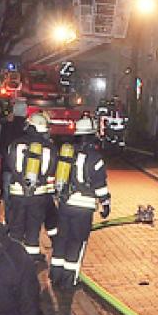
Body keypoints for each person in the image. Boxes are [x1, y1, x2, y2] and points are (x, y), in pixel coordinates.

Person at [51, 117, 111, 288]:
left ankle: (55, 275)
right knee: (77, 242)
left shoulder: (67, 153)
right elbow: (100, 185)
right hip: (83, 207)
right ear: (91, 135)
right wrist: (105, 203)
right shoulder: (95, 157)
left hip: (65, 204)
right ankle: (70, 279)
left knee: (62, 239)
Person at [4, 112, 56, 259]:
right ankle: (31, 259)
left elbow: (10, 165)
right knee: (33, 230)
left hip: (17, 193)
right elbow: (51, 172)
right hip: (38, 196)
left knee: (16, 228)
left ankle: (12, 258)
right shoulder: (49, 148)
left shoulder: (15, 144)